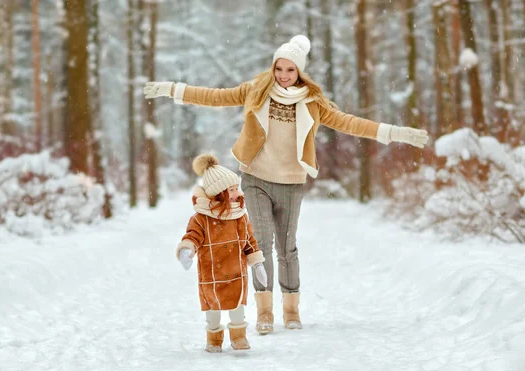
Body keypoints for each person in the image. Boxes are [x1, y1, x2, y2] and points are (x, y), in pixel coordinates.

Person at [148, 35, 429, 335]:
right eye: (279, 68)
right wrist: (173, 90)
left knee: (287, 249)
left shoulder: (312, 103)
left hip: (292, 182)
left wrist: (395, 133)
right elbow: (215, 96)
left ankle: (291, 310)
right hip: (255, 178)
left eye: (290, 70)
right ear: (273, 68)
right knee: (261, 246)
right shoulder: (256, 92)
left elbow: (350, 122)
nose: (283, 75)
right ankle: (265, 311)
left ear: (299, 72)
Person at [176, 153, 268, 353]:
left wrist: (258, 263)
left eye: (236, 188)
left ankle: (239, 338)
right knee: (213, 310)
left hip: (236, 272)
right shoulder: (201, 218)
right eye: (232, 190)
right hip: (212, 275)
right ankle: (214, 340)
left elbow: (249, 242)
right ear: (219, 193)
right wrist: (187, 250)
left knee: (237, 308)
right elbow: (192, 236)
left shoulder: (240, 217)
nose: (237, 193)